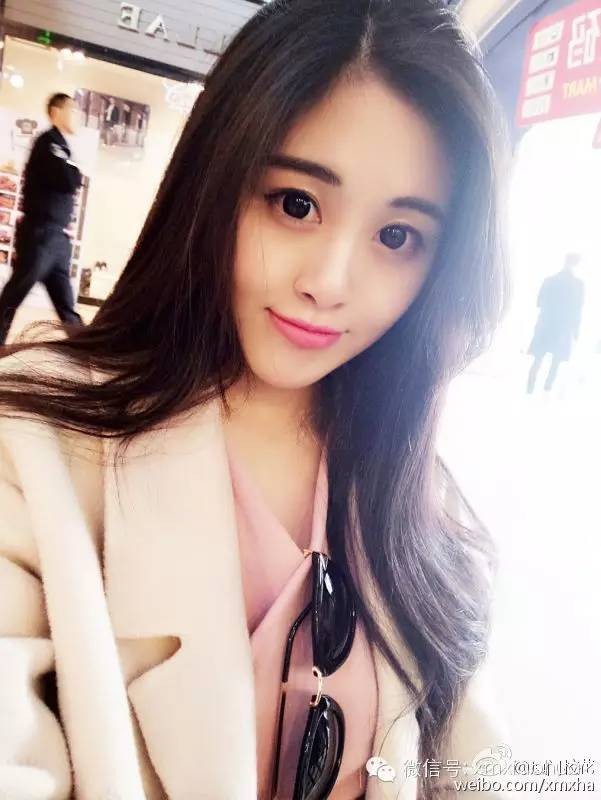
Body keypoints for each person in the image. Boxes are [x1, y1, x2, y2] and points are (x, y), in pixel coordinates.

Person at [0, 2, 511, 799]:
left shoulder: (414, 492)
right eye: (295, 203)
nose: (328, 284)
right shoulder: (37, 440)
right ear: (215, 183)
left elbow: (471, 755)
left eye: (396, 237)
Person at [0, 93, 83, 345]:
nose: (76, 116)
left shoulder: (62, 146)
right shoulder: (48, 143)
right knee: (13, 295)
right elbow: (69, 180)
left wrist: (73, 170)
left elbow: (73, 178)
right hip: (41, 235)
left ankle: (86, 350)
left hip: (56, 239)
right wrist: (74, 171)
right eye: (72, 110)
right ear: (56, 112)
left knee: (66, 306)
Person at [526, 253, 585, 394]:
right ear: (577, 264)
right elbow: (577, 310)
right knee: (556, 362)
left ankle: (529, 390)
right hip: (563, 328)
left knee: (538, 359)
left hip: (546, 324)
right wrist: (576, 331)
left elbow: (538, 302)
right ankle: (546, 391)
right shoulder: (578, 285)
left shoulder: (550, 280)